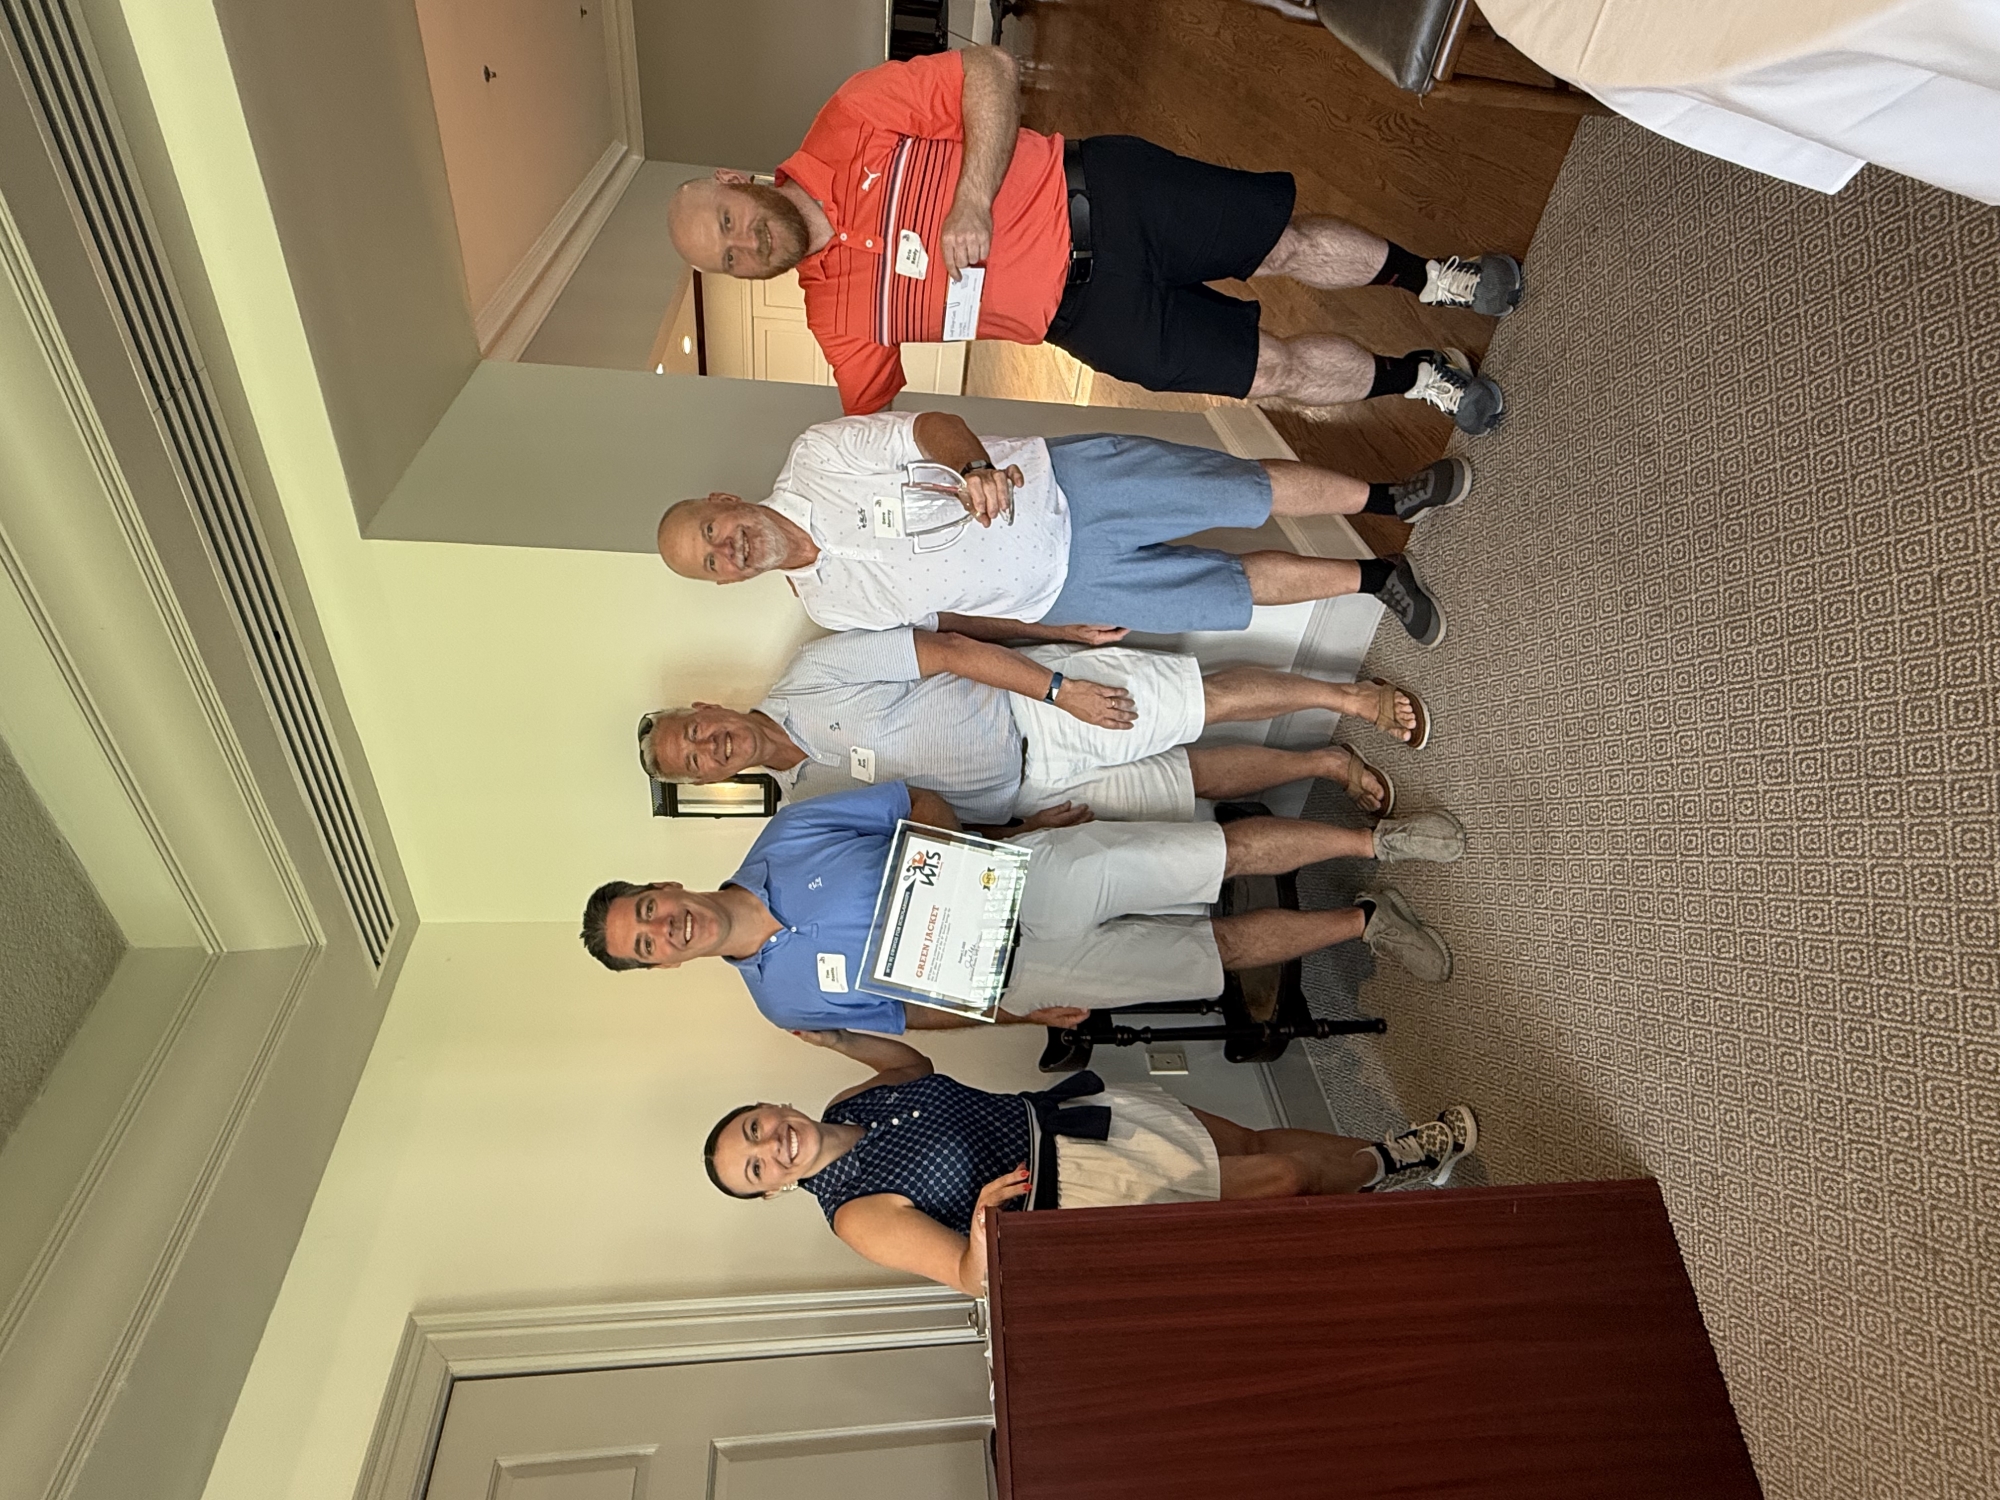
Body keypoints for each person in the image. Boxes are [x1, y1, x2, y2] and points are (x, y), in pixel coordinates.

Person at [665, 47, 1513, 433]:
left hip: (1105, 195)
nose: (747, 246)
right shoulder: (836, 319)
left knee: (1279, 245)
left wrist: (971, 198)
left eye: (730, 222)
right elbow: (870, 422)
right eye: (728, 259)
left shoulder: (850, 118)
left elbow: (989, 72)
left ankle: (1434, 278)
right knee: (1269, 373)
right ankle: (1420, 378)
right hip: (1091, 323)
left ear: (737, 180)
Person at [579, 781, 1462, 1032]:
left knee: (1210, 855)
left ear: (663, 885)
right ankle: (1367, 922)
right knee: (1215, 953)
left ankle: (1375, 843)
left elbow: (914, 802)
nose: (665, 929)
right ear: (665, 966)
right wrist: (1016, 1017)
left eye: (648, 912)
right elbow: (911, 1017)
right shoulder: (782, 1003)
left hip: (1024, 877)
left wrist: (984, 853)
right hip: (1023, 975)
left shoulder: (790, 835)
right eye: (648, 946)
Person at [703, 1028, 1482, 1295]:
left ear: (771, 1107)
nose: (771, 1146)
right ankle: (1399, 1168)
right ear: (772, 1192)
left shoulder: (849, 1103)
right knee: (1284, 1182)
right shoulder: (853, 1214)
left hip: (1073, 1120)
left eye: (756, 1128)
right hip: (1081, 1191)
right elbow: (970, 1278)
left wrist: (838, 1037)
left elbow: (913, 1068)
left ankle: (1400, 1155)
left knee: (1252, 1145)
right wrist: (982, 1222)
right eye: (756, 1168)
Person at [657, 409, 1457, 646]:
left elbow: (927, 428)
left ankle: (1392, 497)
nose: (727, 550)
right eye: (712, 563)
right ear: (724, 582)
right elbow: (945, 622)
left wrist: (974, 465)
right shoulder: (828, 608)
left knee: (1240, 491)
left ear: (723, 500)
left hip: (1066, 487)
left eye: (711, 530)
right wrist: (1053, 630)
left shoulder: (815, 455)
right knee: (1229, 591)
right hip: (1060, 591)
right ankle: (1377, 580)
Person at [638, 633, 1426, 824]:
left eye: (693, 734)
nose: (708, 749)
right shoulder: (805, 805)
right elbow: (920, 832)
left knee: (1199, 702)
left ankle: (1354, 699)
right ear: (711, 781)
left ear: (705, 708)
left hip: (1035, 705)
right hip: (1035, 792)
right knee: (1192, 781)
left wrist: (1062, 688)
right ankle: (1327, 764)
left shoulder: (811, 673)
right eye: (695, 764)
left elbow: (948, 649)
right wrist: (1021, 826)